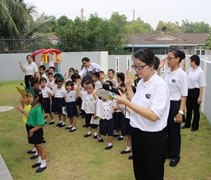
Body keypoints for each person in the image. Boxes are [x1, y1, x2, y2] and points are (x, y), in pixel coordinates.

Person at [115, 49, 170, 180]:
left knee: (152, 174)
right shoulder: (141, 82)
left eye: (140, 66)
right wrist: (128, 87)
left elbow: (153, 115)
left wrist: (126, 103)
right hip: (138, 133)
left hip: (153, 138)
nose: (137, 70)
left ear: (151, 65)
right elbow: (137, 103)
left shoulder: (160, 85)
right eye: (135, 66)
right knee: (140, 172)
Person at [161, 49, 188, 167]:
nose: (168, 61)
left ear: (177, 60)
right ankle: (167, 152)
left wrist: (180, 112)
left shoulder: (182, 75)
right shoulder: (167, 72)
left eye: (170, 58)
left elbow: (184, 95)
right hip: (165, 104)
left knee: (175, 132)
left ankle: (175, 155)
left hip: (175, 105)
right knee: (165, 130)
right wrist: (159, 67)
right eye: (167, 58)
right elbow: (159, 82)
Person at [16, 88, 47, 173]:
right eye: (28, 96)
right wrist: (22, 111)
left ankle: (44, 164)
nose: (28, 98)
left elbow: (40, 124)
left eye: (30, 96)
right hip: (33, 129)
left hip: (36, 130)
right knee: (37, 146)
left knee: (41, 148)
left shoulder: (38, 109)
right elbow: (30, 118)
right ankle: (39, 160)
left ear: (36, 98)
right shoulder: (33, 107)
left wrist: (32, 131)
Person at [182, 55, 206, 131]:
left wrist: (200, 96)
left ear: (194, 61)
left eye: (190, 61)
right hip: (189, 91)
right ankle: (187, 124)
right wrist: (184, 64)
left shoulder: (200, 72)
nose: (190, 63)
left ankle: (195, 126)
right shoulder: (191, 70)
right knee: (188, 109)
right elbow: (184, 74)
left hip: (195, 91)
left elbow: (202, 85)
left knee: (195, 110)